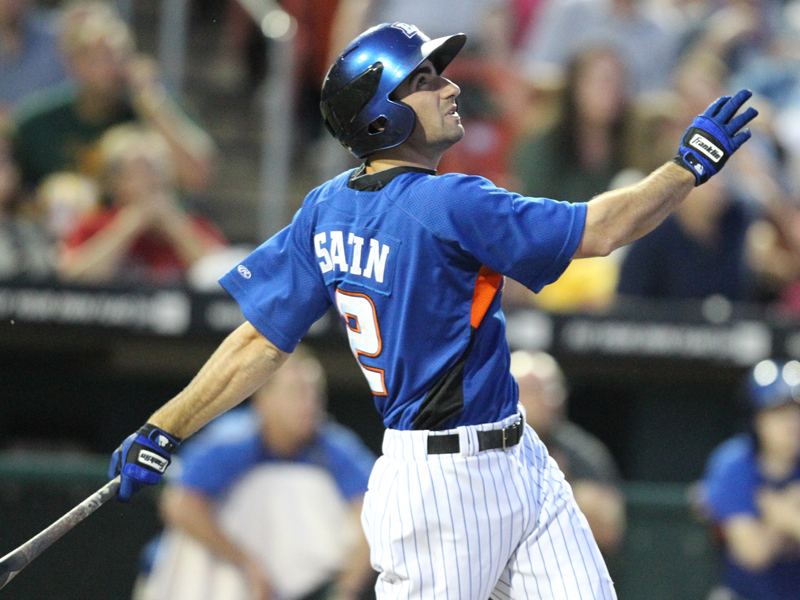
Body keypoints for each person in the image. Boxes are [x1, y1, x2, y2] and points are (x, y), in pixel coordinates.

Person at [107, 22, 757, 599]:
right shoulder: (449, 203)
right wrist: (686, 166)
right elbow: (602, 229)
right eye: (422, 80)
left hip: (517, 460)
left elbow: (258, 341)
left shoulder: (325, 207)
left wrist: (165, 427)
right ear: (381, 114)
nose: (448, 88)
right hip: (443, 488)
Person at [135, 347, 376, 600]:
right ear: (263, 399)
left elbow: (371, 514)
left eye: (314, 393)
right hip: (193, 579)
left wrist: (345, 592)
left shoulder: (330, 444)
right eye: (296, 392)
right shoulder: (234, 440)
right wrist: (248, 565)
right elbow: (178, 505)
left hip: (280, 584)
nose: (309, 404)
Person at [11, 1, 215, 193]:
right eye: (98, 57)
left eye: (120, 54)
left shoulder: (158, 108)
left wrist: (151, 103)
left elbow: (197, 177)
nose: (113, 66)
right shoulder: (37, 123)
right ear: (71, 63)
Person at [58, 124, 226, 286]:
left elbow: (228, 284)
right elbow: (72, 280)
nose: (156, 176)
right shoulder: (92, 226)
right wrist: (130, 225)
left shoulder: (199, 227)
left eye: (162, 166)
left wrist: (176, 228)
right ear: (116, 181)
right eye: (144, 167)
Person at [510, 350, 626, 558]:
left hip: (561, 570)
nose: (548, 398)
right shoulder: (483, 442)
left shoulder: (579, 450)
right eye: (534, 389)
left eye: (553, 388)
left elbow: (609, 528)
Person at [700, 359, 800, 600]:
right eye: (778, 414)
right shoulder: (733, 463)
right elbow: (753, 554)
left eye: (796, 413)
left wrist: (785, 517)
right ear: (756, 419)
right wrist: (788, 518)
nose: (792, 424)